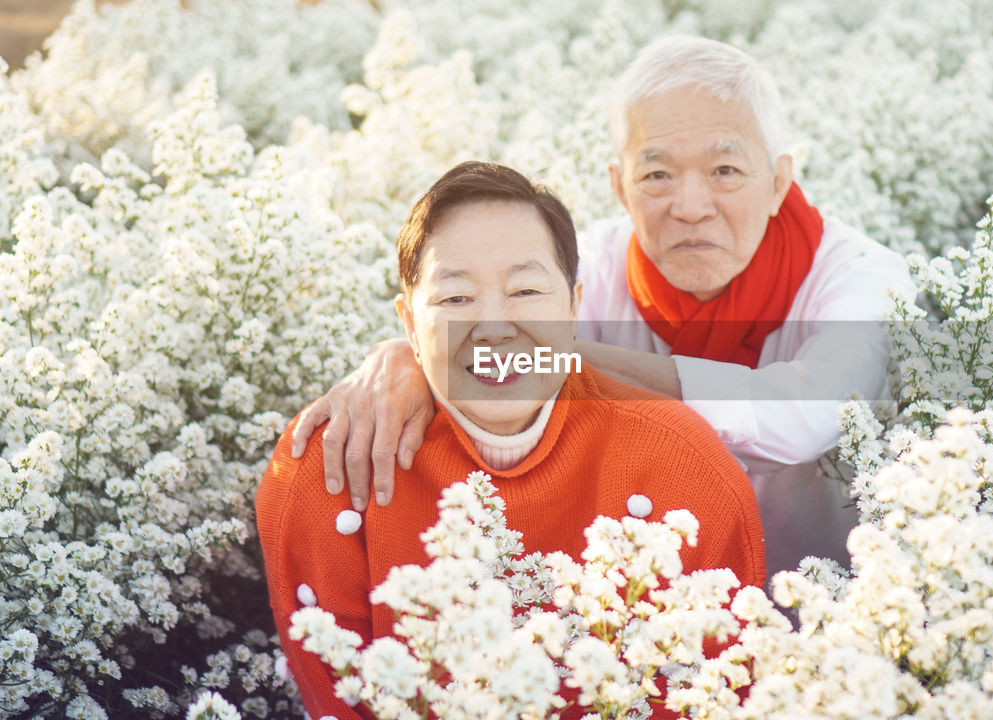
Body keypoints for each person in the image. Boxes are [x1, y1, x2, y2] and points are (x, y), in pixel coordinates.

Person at [290, 36, 913, 578]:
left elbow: (803, 415)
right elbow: (467, 323)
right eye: (657, 175)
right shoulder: (581, 266)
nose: (691, 205)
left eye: (725, 170)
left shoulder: (862, 279)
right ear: (619, 186)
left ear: (780, 180)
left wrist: (546, 351)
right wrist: (403, 358)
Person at [257, 161, 766, 719]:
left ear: (573, 310)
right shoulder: (333, 466)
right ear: (408, 322)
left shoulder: (683, 464)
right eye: (455, 299)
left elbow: (715, 691)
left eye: (525, 290)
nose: (494, 326)